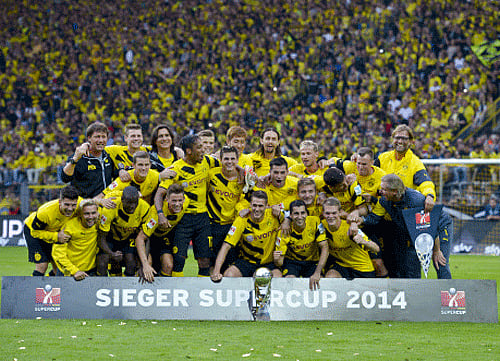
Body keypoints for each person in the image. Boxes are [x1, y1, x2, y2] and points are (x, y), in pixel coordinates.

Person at [360, 174, 452, 279]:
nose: (380, 192)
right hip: (414, 230)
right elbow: (374, 219)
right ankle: (412, 292)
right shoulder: (384, 201)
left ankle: (448, 294)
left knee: (440, 262)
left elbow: (429, 228)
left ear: (394, 191)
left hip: (438, 225)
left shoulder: (416, 201)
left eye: (384, 189)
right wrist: (360, 220)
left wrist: (436, 250)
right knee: (409, 263)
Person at [154, 134, 219, 277]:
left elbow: (227, 161)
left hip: (202, 217)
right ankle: (178, 293)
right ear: (189, 151)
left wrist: (239, 169)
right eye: (199, 147)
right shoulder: (175, 169)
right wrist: (160, 214)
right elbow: (159, 194)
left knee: (205, 260)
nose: (203, 150)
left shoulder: (207, 161)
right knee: (178, 259)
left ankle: (201, 292)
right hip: (182, 218)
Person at [211, 190, 284, 281]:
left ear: (266, 206)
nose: (257, 209)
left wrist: (285, 220)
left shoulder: (275, 216)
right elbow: (226, 246)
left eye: (260, 206)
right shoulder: (242, 219)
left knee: (278, 277)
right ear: (250, 205)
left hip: (268, 263)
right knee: (229, 274)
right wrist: (216, 271)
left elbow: (289, 219)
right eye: (254, 205)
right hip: (246, 262)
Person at [337, 147, 388, 277]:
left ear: (372, 162)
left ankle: (385, 292)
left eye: (364, 164)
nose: (360, 167)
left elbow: (383, 205)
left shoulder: (381, 177)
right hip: (347, 222)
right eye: (358, 163)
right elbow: (331, 162)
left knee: (378, 263)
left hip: (371, 222)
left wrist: (369, 203)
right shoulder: (350, 166)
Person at [374, 125, 436, 213]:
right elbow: (370, 172)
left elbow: (425, 182)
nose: (400, 141)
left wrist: (430, 196)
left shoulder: (415, 162)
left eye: (404, 139)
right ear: (393, 139)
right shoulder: (382, 158)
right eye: (397, 138)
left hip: (403, 213)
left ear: (411, 141)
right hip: (381, 211)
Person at [97, 186, 154, 277]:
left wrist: (144, 264)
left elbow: (146, 238)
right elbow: (101, 238)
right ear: (122, 199)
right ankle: (104, 286)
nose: (132, 206)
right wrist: (111, 254)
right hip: (111, 237)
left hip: (129, 238)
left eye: (135, 203)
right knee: (102, 263)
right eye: (129, 203)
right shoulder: (110, 207)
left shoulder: (145, 208)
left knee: (131, 262)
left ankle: (127, 286)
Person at [135, 184, 189, 282]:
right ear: (167, 199)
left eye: (180, 200)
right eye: (174, 201)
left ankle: (163, 292)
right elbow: (140, 238)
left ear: (184, 199)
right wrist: (145, 265)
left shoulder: (187, 202)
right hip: (150, 240)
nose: (177, 204)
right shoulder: (155, 215)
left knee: (168, 265)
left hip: (165, 238)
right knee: (147, 266)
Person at [24, 185, 80, 276]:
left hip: (55, 233)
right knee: (42, 266)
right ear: (60, 201)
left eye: (73, 205)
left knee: (58, 267)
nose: (70, 209)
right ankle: (30, 289)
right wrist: (56, 236)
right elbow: (34, 232)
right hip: (33, 230)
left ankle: (48, 287)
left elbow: (91, 203)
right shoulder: (45, 212)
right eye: (67, 204)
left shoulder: (80, 204)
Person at [273, 200, 329, 290]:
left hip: (312, 262)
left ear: (307, 214)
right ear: (290, 216)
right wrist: (276, 260)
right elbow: (280, 262)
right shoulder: (284, 231)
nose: (300, 217)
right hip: (293, 262)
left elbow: (325, 247)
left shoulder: (315, 222)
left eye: (302, 213)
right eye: (296, 214)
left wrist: (317, 272)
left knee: (320, 282)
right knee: (289, 281)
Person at [322, 197, 379, 279]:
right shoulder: (322, 226)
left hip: (362, 268)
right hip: (343, 266)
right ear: (323, 213)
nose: (330, 216)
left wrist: (363, 241)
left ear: (340, 212)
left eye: (334, 213)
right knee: (330, 277)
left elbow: (376, 248)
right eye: (327, 213)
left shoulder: (350, 228)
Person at [207, 146, 244, 272]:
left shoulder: (244, 179)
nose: (229, 161)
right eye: (226, 158)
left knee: (231, 265)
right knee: (211, 264)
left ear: (237, 160)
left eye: (233, 159)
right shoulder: (211, 174)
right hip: (213, 225)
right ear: (221, 160)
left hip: (232, 226)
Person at [61, 122, 117, 204]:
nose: (101, 140)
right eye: (97, 137)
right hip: (85, 208)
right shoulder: (79, 157)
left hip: (106, 205)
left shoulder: (109, 156)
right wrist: (75, 159)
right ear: (89, 138)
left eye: (103, 137)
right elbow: (65, 178)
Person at [52, 199, 100, 280]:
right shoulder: (68, 228)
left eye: (93, 213)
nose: (91, 217)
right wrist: (74, 271)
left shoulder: (99, 223)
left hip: (90, 272)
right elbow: (57, 254)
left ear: (98, 213)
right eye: (86, 214)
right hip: (69, 273)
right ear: (80, 214)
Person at [97, 150, 162, 205]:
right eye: (140, 165)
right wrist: (101, 201)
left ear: (150, 165)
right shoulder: (124, 179)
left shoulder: (156, 176)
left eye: (146, 165)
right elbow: (99, 197)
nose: (144, 168)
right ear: (133, 165)